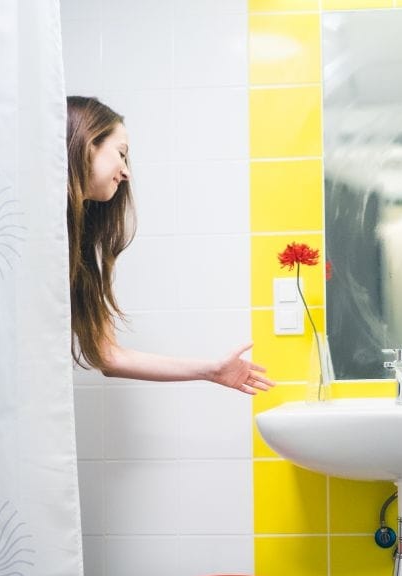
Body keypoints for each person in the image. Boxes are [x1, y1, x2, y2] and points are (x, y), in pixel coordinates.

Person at [66, 95, 273, 395]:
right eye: (121, 153)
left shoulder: (74, 246)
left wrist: (212, 370)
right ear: (87, 143)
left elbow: (109, 356)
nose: (126, 172)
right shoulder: (32, 227)